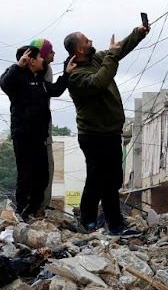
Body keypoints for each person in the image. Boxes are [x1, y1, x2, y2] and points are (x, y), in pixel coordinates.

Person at [62, 21, 148, 234]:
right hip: (93, 135)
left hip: (110, 133)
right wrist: (110, 55)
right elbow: (99, 81)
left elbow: (118, 51)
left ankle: (115, 225)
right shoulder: (75, 75)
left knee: (112, 181)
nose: (91, 41)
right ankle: (89, 222)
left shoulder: (97, 58)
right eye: (86, 40)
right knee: (97, 180)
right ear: (79, 49)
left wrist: (138, 33)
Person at [0, 38, 66, 220]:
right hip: (23, 135)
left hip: (39, 136)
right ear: (31, 60)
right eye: (39, 57)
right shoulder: (17, 79)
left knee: (42, 174)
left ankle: (35, 209)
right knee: (26, 174)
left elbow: (56, 90)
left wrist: (66, 74)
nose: (43, 60)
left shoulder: (40, 81)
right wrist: (19, 66)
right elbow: (4, 84)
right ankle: (22, 210)